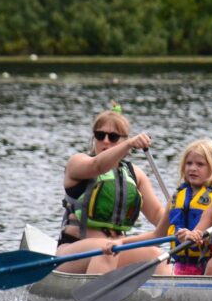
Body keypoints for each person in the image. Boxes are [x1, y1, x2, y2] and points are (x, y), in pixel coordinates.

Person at [55, 105, 165, 274]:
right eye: (100, 135)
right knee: (107, 251)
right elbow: (98, 165)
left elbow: (157, 214)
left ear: (122, 139)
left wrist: (185, 224)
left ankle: (167, 299)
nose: (105, 141)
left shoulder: (136, 175)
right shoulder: (78, 163)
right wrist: (129, 144)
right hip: (73, 252)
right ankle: (91, 299)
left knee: (157, 256)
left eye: (113, 137)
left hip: (115, 249)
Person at [102, 138, 212, 275]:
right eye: (189, 163)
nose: (192, 168)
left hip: (208, 267)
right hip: (180, 267)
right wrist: (122, 242)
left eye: (200, 164)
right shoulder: (176, 198)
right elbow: (157, 235)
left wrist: (193, 236)